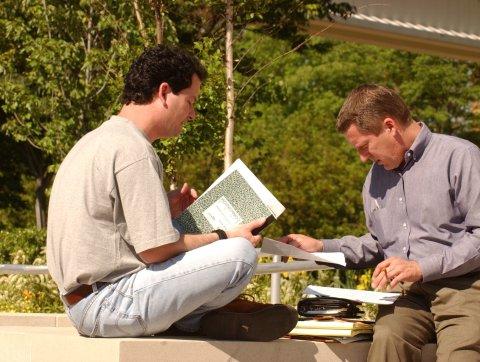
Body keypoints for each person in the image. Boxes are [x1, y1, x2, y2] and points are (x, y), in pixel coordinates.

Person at [46, 44, 297, 340]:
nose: (191, 115)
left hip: (88, 299)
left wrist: (164, 209)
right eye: (190, 102)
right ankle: (195, 318)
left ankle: (196, 317)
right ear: (164, 92)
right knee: (241, 253)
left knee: (196, 232)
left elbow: (110, 229)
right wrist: (225, 235)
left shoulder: (96, 140)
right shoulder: (134, 150)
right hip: (110, 303)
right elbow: (154, 251)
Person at [280, 84, 480, 361]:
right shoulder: (375, 178)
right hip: (408, 297)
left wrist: (420, 267)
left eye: (364, 146)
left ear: (389, 126)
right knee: (386, 338)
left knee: (461, 355)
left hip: (464, 287)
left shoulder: (461, 156)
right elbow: (378, 243)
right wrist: (320, 246)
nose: (363, 158)